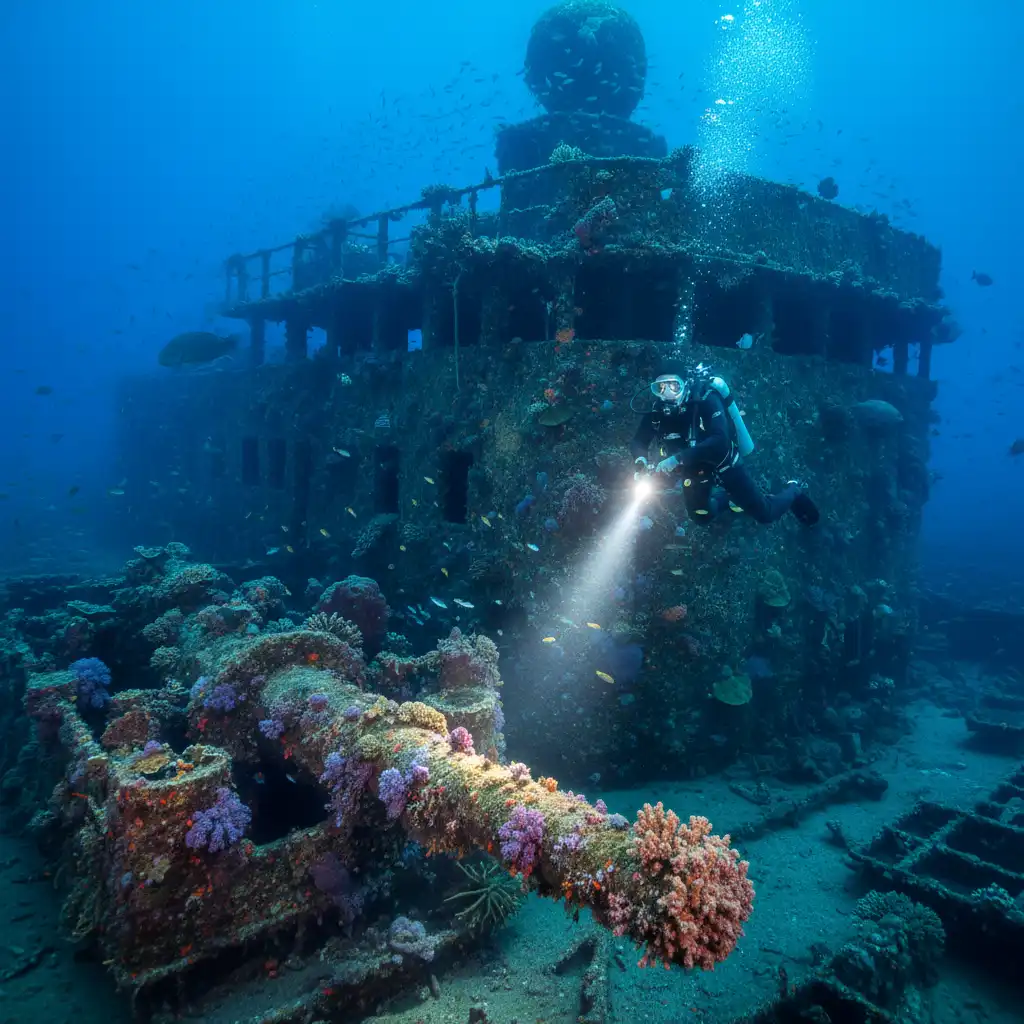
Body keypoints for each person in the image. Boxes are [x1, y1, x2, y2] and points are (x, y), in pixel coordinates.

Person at [630, 371, 819, 526]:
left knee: (765, 514)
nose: (667, 394)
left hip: (724, 464)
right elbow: (639, 441)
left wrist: (676, 459)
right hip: (694, 469)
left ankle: (794, 489)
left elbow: (719, 442)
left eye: (673, 386)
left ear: (685, 384)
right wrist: (640, 462)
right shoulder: (657, 413)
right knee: (701, 516)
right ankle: (731, 501)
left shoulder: (706, 400)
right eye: (660, 387)